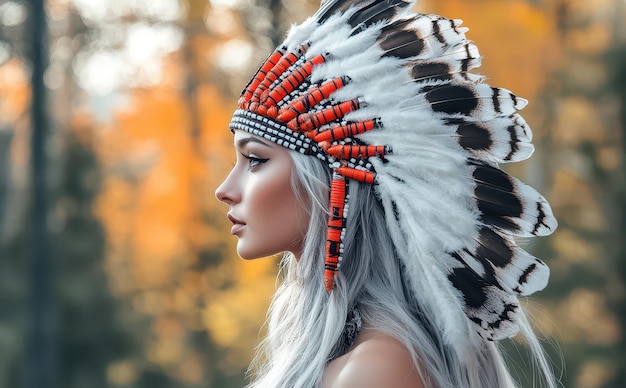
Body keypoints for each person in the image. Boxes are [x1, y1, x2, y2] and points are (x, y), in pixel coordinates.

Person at [215, 0, 559, 387]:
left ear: (336, 178)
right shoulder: (358, 353)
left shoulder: (376, 369)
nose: (225, 190)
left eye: (256, 160)